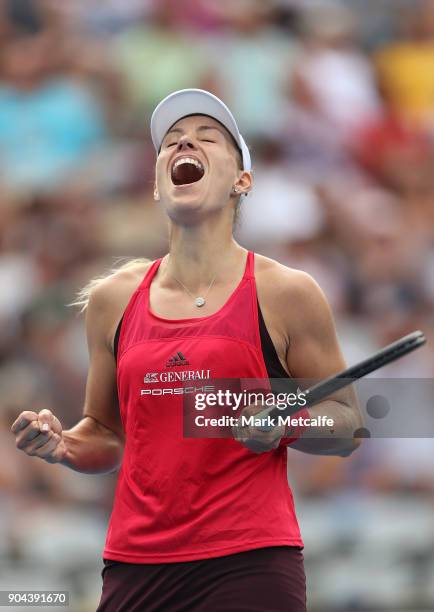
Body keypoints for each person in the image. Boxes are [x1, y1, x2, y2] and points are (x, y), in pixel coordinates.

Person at [11, 89, 362, 611]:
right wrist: (63, 446)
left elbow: (349, 424)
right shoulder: (113, 299)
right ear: (157, 184)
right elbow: (107, 435)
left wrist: (287, 423)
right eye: (170, 142)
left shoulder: (286, 292)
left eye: (206, 138)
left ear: (242, 180)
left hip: (250, 560)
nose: (183, 145)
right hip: (136, 566)